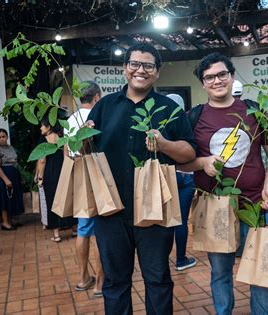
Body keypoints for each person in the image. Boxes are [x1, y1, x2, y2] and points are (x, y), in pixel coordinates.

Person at [85, 43, 196, 314]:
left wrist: (164, 143)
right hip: (110, 208)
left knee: (157, 279)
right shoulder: (104, 107)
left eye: (148, 65)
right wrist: (78, 139)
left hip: (155, 209)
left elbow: (189, 153)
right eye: (134, 64)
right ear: (125, 69)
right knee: (115, 281)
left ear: (157, 73)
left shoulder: (168, 109)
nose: (140, 70)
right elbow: (81, 152)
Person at [179, 52, 268, 315]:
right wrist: (202, 163)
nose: (217, 81)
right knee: (220, 272)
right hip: (215, 206)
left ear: (232, 76)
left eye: (221, 74)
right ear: (203, 83)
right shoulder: (193, 118)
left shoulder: (254, 111)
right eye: (209, 77)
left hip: (255, 204)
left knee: (260, 270)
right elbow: (181, 164)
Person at [65, 81, 104, 295]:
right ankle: (100, 283)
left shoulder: (70, 120)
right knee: (100, 232)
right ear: (97, 97)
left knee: (83, 230)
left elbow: (67, 152)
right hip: (96, 177)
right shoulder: (95, 118)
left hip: (78, 177)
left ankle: (82, 279)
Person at [166, 93, 197, 271]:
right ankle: (181, 259)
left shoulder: (161, 123)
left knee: (167, 219)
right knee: (181, 220)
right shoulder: (189, 122)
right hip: (186, 176)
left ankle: (162, 259)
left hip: (168, 175)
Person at [35, 115, 77, 242]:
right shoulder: (62, 139)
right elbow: (66, 157)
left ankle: (57, 234)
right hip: (62, 173)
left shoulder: (43, 140)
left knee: (52, 202)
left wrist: (40, 177)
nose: (40, 128)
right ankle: (74, 229)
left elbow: (42, 161)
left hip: (49, 174)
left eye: (42, 125)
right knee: (67, 199)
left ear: (48, 127)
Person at [0, 128, 24, 230]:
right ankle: (5, 223)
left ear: (7, 137)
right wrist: (6, 180)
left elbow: (15, 162)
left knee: (12, 198)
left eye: (3, 136)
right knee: (4, 199)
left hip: (14, 175)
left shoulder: (10, 147)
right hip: (3, 176)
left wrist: (20, 176)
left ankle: (12, 220)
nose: (1, 139)